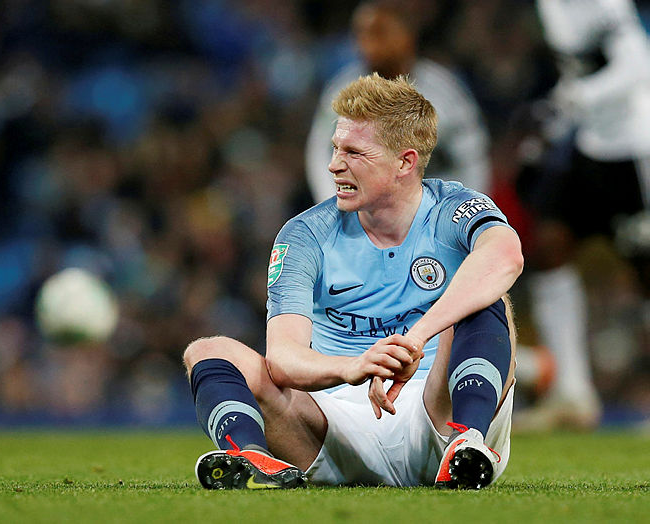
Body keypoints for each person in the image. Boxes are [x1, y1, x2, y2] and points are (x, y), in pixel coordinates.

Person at [183, 74, 524, 490]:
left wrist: (415, 339)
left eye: (354, 152)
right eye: (335, 148)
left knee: (490, 300)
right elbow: (283, 358)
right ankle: (252, 459)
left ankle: (467, 444)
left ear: (405, 162)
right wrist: (354, 367)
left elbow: (506, 256)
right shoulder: (305, 234)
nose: (333, 165)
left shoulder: (454, 208)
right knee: (207, 351)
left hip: (437, 410)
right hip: (332, 428)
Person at [514, 0, 650, 430]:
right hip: (590, 143)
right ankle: (572, 393)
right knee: (551, 244)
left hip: (634, 146)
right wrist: (554, 116)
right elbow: (578, 71)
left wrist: (575, 99)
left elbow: (637, 65)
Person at [306, 0, 491, 200]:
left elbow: (472, 155)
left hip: (433, 204)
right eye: (363, 34)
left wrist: (462, 208)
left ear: (407, 36)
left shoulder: (443, 89)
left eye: (380, 33)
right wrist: (339, 205)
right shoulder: (343, 90)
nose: (369, 43)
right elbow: (320, 154)